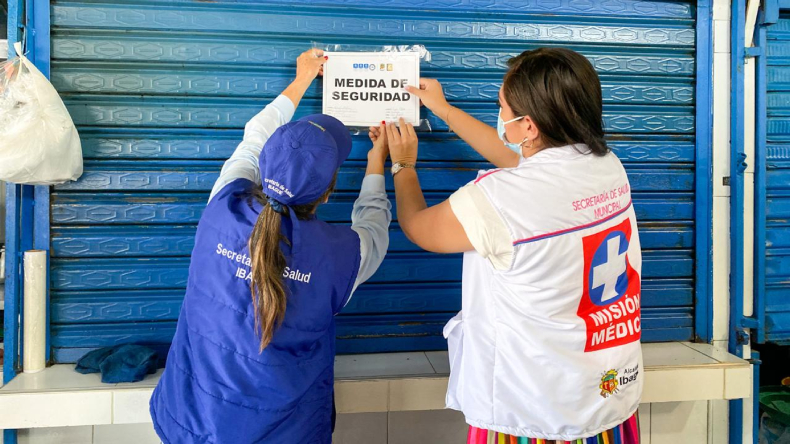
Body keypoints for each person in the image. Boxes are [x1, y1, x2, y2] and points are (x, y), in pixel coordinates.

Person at [373, 47, 643, 443]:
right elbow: (520, 160)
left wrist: (403, 165)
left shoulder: (502, 199)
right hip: (606, 392)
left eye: (501, 107)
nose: (499, 117)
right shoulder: (604, 165)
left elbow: (419, 228)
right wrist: (444, 110)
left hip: (533, 412)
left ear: (529, 126)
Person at [149, 49, 392, 443]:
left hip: (190, 421)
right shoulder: (340, 257)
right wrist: (377, 161)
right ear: (329, 193)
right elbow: (374, 226)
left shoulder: (223, 205)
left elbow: (253, 138)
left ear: (263, 167)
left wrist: (301, 81)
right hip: (286, 433)